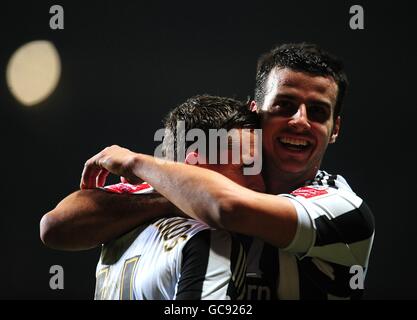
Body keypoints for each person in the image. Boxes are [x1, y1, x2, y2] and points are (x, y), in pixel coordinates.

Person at [41, 43, 375, 299]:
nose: (300, 120)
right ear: (256, 113)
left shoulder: (343, 209)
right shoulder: (204, 186)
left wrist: (137, 163)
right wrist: (173, 199)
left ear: (334, 129)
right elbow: (56, 226)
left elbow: (227, 208)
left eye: (317, 112)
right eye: (284, 105)